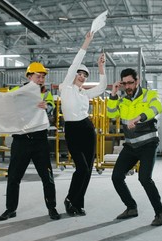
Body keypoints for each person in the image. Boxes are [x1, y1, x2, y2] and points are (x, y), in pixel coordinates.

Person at [0, 62, 61, 221]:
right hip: (20, 141)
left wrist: (46, 107)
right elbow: (3, 104)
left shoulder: (45, 94)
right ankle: (10, 209)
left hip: (39, 140)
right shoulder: (16, 91)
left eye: (42, 77)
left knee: (47, 177)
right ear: (29, 77)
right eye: (38, 76)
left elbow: (51, 106)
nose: (41, 79)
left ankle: (52, 208)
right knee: (13, 177)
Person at [107, 68, 162, 226]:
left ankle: (160, 213)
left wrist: (139, 118)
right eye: (124, 84)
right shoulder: (122, 99)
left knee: (144, 178)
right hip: (131, 145)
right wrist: (113, 94)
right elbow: (111, 114)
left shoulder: (149, 94)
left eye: (130, 83)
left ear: (137, 81)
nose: (128, 86)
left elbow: (157, 108)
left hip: (148, 143)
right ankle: (131, 207)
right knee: (116, 177)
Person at [59, 32, 107, 216]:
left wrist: (101, 67)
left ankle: (78, 203)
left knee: (88, 169)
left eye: (84, 75)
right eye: (79, 73)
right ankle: (70, 198)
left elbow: (102, 88)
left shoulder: (84, 94)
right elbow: (75, 62)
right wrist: (87, 41)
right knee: (81, 167)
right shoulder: (66, 88)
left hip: (87, 129)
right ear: (73, 75)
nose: (81, 76)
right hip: (72, 129)